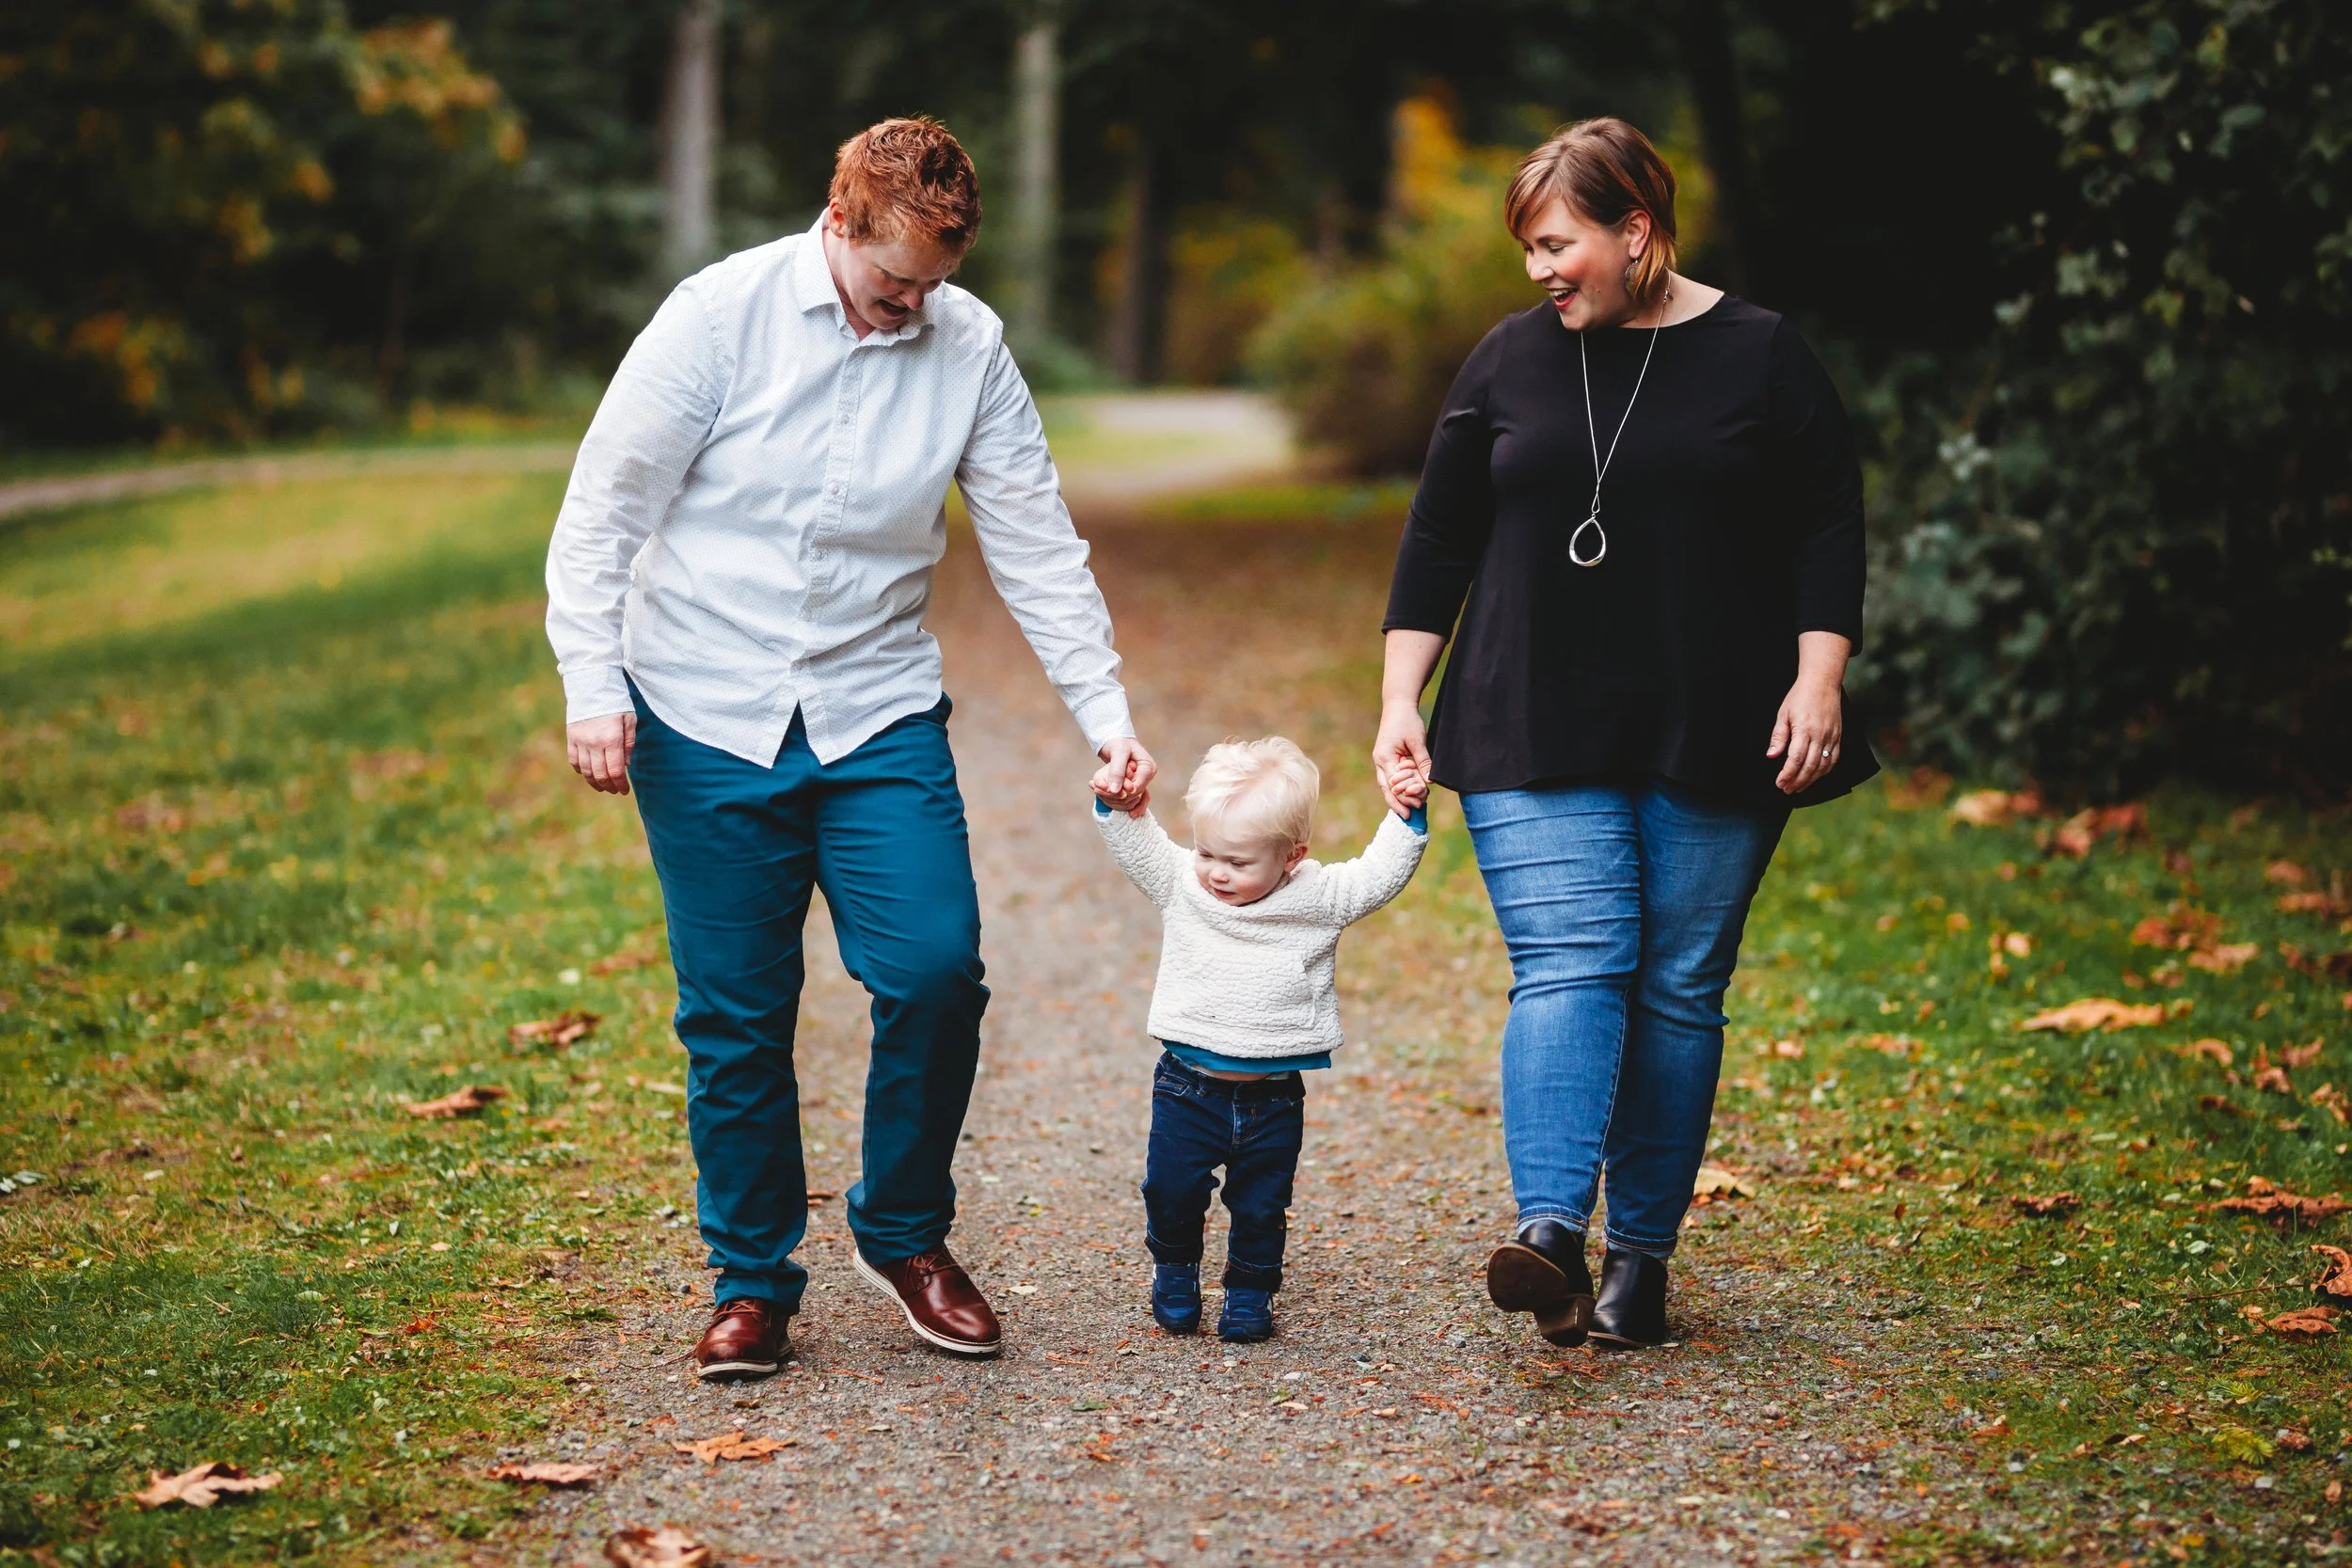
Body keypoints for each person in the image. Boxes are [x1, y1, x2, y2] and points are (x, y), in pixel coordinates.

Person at [545, 117, 1156, 1380]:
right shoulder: (717, 317)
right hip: (702, 708)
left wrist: (1108, 717)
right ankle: (752, 1282)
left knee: (936, 969)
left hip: (874, 707)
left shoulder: (968, 343)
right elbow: (605, 509)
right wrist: (591, 681)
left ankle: (903, 1227)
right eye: (892, 282)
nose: (910, 306)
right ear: (839, 223)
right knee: (737, 1015)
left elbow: (1036, 542)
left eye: (933, 284)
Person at [1372, 118, 1877, 1351]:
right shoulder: (1507, 360)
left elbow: (1827, 525)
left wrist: (1821, 681)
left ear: (1635, 234)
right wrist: (1398, 699)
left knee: (1679, 986)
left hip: (1716, 712)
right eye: (1531, 250)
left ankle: (1638, 1259)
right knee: (1569, 955)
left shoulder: (1762, 354)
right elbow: (1438, 538)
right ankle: (1549, 1233)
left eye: (1558, 245)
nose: (1540, 272)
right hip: (1527, 701)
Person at [1093, 738, 1426, 1341]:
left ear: (1291, 857)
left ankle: (1248, 1292)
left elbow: (1379, 876)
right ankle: (1174, 1268)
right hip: (1187, 1088)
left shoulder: (1317, 898)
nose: (1218, 872)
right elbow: (1141, 848)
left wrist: (1405, 814)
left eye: (1240, 862)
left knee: (1262, 1206)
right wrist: (1124, 808)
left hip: (1272, 1097)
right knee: (1170, 1191)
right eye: (1208, 853)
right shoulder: (1184, 885)